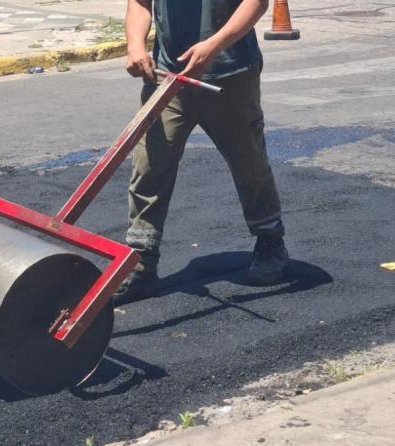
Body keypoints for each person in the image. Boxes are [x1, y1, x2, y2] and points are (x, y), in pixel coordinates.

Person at [115, 0, 288, 300]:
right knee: (149, 167)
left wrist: (214, 45)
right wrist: (135, 46)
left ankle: (270, 241)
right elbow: (140, 4)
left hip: (230, 75)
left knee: (249, 164)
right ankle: (141, 262)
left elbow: (257, 3)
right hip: (168, 78)